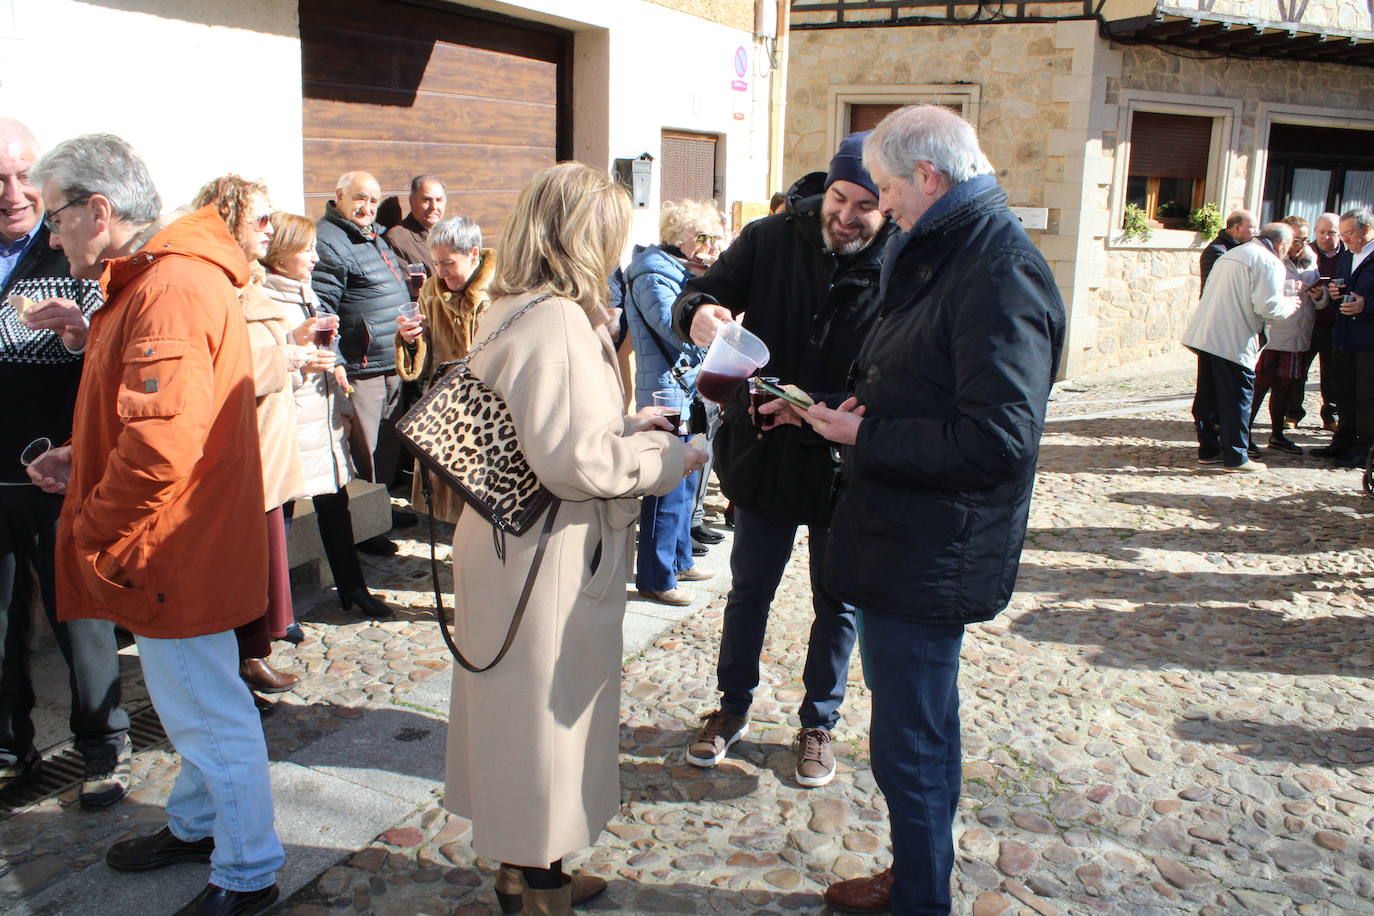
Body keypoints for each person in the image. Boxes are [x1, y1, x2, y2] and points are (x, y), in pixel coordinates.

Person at [773, 104, 1064, 916]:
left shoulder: (997, 269)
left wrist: (867, 438)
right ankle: (915, 879)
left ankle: (921, 901)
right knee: (915, 737)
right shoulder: (943, 246)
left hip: (932, 548)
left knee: (915, 744)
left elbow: (999, 439)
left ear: (930, 178)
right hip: (903, 532)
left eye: (891, 187)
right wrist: (835, 409)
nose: (882, 202)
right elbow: (921, 382)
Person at [441, 162, 706, 916]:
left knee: (522, 720)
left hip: (514, 543)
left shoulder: (515, 306)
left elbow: (545, 430)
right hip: (546, 553)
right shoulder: (558, 318)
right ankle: (540, 891)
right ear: (583, 237)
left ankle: (522, 871)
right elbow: (571, 461)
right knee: (546, 727)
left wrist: (626, 424)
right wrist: (665, 459)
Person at [31, 134, 282, 915]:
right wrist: (85, 456)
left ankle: (248, 875)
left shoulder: (167, 285)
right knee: (199, 708)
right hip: (181, 542)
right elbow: (155, 419)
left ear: (97, 211)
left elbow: (160, 451)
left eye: (56, 217)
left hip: (175, 548)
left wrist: (88, 526)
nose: (50, 234)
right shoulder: (155, 277)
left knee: (209, 714)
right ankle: (202, 825)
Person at [671, 132, 897, 788]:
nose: (848, 216)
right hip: (764, 455)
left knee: (838, 602)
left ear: (889, 210)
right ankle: (731, 708)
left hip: (844, 467)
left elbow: (895, 377)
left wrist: (814, 403)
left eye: (867, 206)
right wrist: (701, 312)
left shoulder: (900, 263)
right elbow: (701, 295)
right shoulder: (769, 239)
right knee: (750, 592)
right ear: (825, 189)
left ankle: (818, 723)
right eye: (839, 197)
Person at [0, 117, 131, 808]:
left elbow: (116, 356)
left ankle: (102, 744)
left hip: (62, 470)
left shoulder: (76, 249)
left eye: (23, 176)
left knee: (79, 613)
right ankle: (9, 749)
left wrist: (80, 336)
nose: (12, 192)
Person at [192, 175, 304, 701]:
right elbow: (224, 366)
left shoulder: (245, 276)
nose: (269, 227)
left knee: (262, 564)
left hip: (267, 450)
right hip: (243, 455)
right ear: (228, 219)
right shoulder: (214, 281)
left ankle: (253, 658)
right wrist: (286, 357)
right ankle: (241, 669)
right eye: (259, 218)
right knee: (241, 573)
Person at [262, 213, 393, 620]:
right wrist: (301, 357)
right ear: (282, 256)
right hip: (290, 421)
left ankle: (352, 587)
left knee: (335, 505)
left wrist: (333, 361)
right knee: (280, 519)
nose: (315, 258)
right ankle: (278, 612)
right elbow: (265, 364)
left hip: (321, 414)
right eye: (306, 250)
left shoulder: (305, 292)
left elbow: (319, 346)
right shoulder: (265, 300)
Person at [624, 200, 723, 605]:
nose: (711, 247)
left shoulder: (683, 273)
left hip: (686, 389)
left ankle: (680, 559)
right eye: (704, 238)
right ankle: (656, 576)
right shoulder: (652, 272)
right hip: (664, 392)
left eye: (715, 239)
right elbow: (674, 328)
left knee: (687, 478)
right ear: (681, 237)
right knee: (666, 486)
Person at [312, 170, 411, 554]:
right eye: (360, 198)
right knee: (365, 452)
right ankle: (366, 530)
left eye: (373, 199)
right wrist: (335, 357)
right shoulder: (330, 240)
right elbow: (323, 306)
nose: (367, 206)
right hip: (361, 364)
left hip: (391, 361)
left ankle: (380, 510)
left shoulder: (374, 236)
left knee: (386, 446)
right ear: (339, 196)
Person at [395, 214, 495, 523]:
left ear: (473, 254)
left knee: (489, 499)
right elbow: (423, 362)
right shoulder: (429, 292)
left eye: (448, 263)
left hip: (493, 412)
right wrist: (410, 340)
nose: (440, 272)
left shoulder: (503, 290)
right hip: (448, 411)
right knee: (455, 504)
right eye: (436, 263)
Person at [1183, 222, 1299, 472]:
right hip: (1234, 340)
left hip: (1208, 335)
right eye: (1289, 245)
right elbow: (1268, 307)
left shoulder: (1233, 254)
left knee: (1209, 397)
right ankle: (1236, 457)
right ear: (1280, 244)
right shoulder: (1268, 262)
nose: (1288, 251)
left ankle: (1209, 449)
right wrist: (1291, 304)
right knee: (1237, 399)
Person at [1248, 215, 1321, 455]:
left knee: (1285, 387)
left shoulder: (1311, 261)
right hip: (1274, 335)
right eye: (1295, 238)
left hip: (1298, 335)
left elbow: (1320, 303)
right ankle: (1243, 432)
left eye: (1304, 238)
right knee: (1259, 386)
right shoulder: (1271, 260)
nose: (1299, 244)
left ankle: (1277, 434)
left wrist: (1319, 295)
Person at [1314, 208, 1374, 466]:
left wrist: (1367, 304)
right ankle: (1342, 442)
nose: (1345, 240)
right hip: (1344, 335)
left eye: (1349, 234)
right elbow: (1342, 283)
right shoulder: (1347, 256)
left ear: (1367, 230)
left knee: (1367, 397)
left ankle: (1364, 450)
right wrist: (1337, 291)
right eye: (1344, 234)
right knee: (1343, 392)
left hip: (1369, 339)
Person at [1293, 212, 1348, 431]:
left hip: (1336, 323)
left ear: (1339, 235)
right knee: (1298, 370)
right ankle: (1293, 412)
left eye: (1332, 233)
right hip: (1308, 322)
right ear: (1316, 232)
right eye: (1322, 232)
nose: (1326, 237)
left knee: (1333, 374)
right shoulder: (1307, 253)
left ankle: (1330, 415)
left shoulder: (1348, 255)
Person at [384, 175, 446, 274]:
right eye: (426, 200)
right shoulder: (398, 239)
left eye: (439, 200)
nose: (434, 206)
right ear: (411, 201)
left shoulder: (451, 235)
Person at [1200, 209, 1255, 294]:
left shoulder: (1242, 249)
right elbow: (1217, 288)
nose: (1256, 232)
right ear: (1237, 227)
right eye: (1252, 227)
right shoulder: (1216, 251)